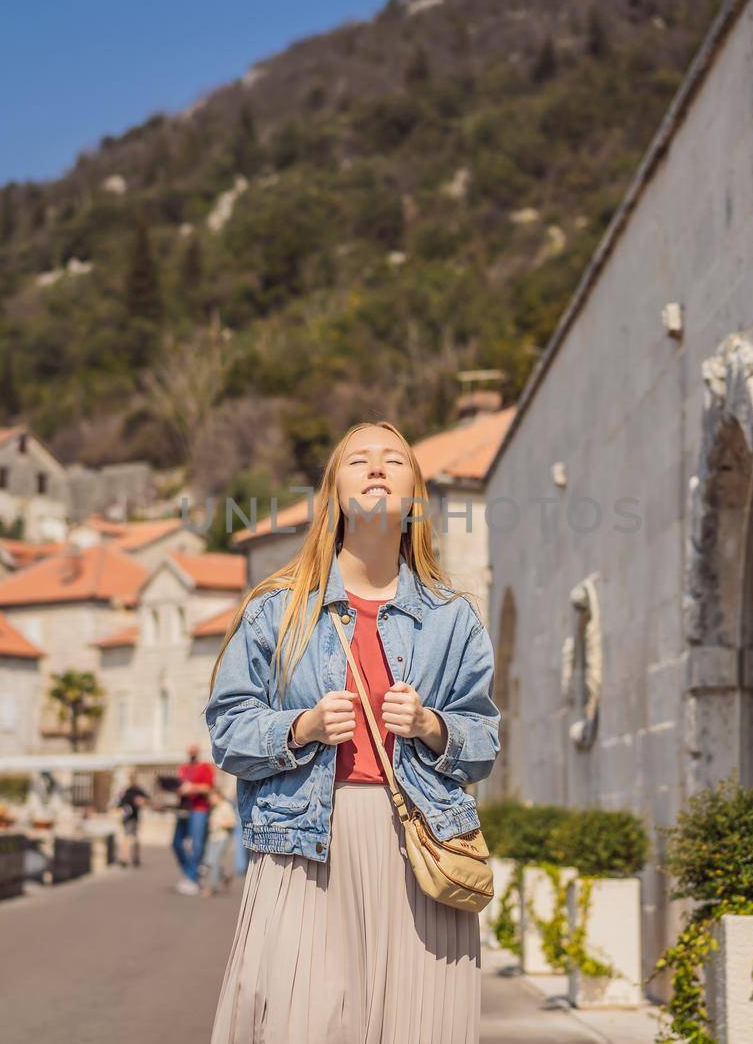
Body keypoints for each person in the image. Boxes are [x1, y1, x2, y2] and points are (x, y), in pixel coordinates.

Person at [205, 421, 500, 1043]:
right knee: (299, 1022)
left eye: (394, 460)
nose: (376, 468)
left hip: (420, 846)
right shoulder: (276, 609)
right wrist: (301, 726)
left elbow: (484, 743)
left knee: (419, 1028)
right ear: (332, 493)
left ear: (415, 495)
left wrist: (432, 726)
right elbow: (227, 732)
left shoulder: (455, 619)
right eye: (358, 460)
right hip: (304, 843)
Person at [172, 743, 217, 894]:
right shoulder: (183, 769)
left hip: (199, 809)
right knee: (176, 843)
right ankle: (191, 872)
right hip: (183, 809)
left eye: (194, 751)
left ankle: (192, 878)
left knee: (197, 844)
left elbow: (208, 788)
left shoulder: (205, 767)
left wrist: (192, 788)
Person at [199, 787, 238, 896]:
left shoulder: (226, 806)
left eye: (211, 797)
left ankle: (211, 888)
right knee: (209, 861)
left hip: (222, 837)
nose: (210, 800)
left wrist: (219, 823)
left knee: (214, 861)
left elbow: (232, 822)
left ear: (218, 796)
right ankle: (225, 878)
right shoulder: (214, 808)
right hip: (213, 837)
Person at [114, 770, 152, 868]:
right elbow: (119, 804)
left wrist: (142, 801)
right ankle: (128, 858)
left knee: (131, 837)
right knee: (130, 837)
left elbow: (147, 800)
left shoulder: (136, 791)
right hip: (128, 817)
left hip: (133, 817)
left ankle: (129, 858)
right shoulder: (126, 791)